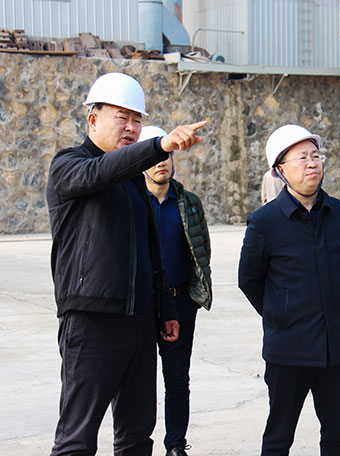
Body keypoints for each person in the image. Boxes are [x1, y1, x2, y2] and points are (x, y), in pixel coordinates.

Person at [46, 72, 206, 456]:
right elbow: (100, 172)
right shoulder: (69, 164)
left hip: (139, 323)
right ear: (93, 119)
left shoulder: (134, 182)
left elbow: (151, 252)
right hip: (92, 321)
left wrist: (165, 311)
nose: (131, 127)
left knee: (136, 436)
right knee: (76, 439)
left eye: (137, 119)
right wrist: (160, 145)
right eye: (122, 117)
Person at [238, 124, 340, 455]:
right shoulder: (264, 222)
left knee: (338, 434)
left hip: (336, 347)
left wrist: (330, 301)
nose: (312, 164)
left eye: (316, 156)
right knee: (279, 436)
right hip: (288, 350)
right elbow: (249, 280)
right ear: (281, 170)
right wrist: (281, 311)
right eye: (302, 158)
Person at [139, 126, 213, 456]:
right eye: (154, 157)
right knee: (139, 381)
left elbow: (202, 250)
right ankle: (138, 444)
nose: (161, 163)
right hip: (143, 305)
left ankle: (176, 446)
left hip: (180, 303)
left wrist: (196, 294)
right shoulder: (133, 203)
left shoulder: (189, 203)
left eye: (166, 156)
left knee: (178, 379)